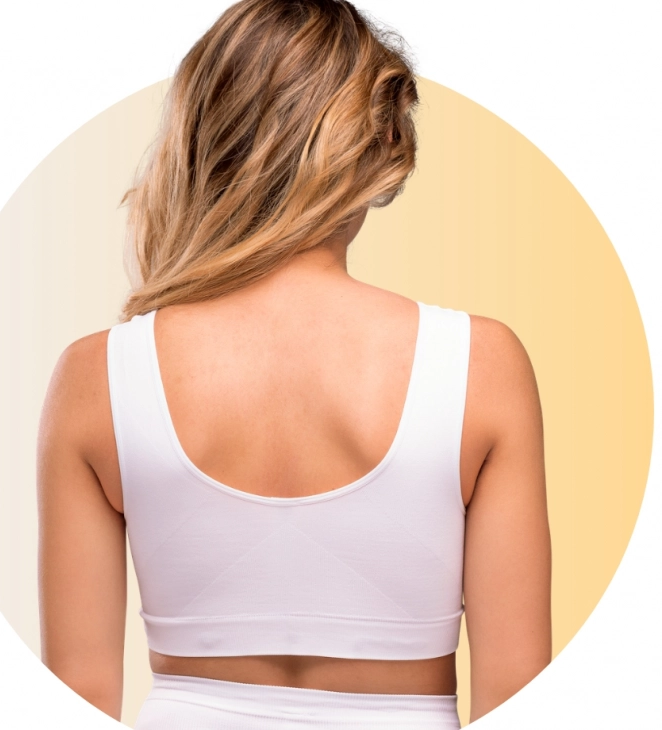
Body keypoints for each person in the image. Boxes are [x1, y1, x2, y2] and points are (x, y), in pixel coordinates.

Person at [36, 1, 552, 727]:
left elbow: (78, 697)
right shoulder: (482, 364)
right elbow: (517, 698)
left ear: (203, 143)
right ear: (378, 152)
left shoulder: (95, 377)